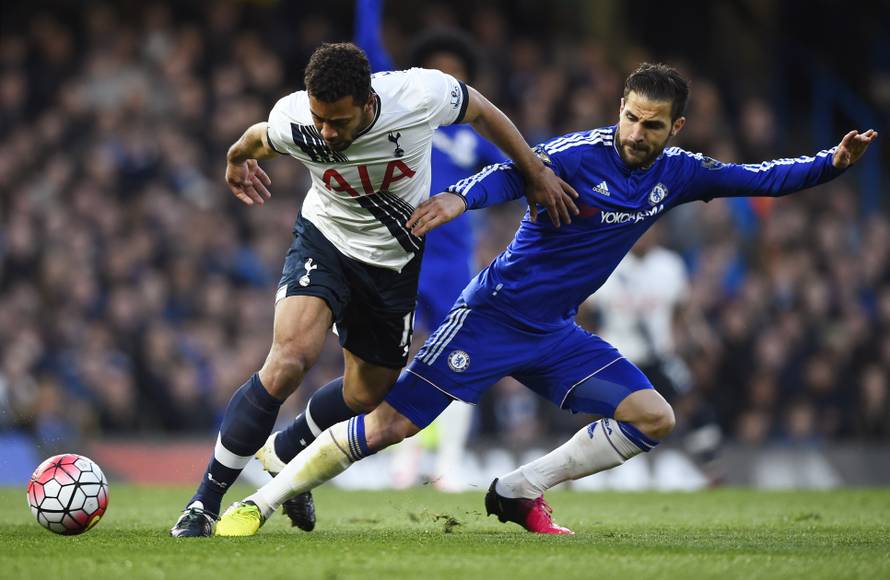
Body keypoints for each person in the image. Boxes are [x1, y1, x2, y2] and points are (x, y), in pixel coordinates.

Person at [213, 62, 877, 537]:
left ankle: (517, 489)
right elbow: (511, 170)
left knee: (655, 417)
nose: (634, 133)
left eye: (651, 125)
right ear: (619, 109)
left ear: (674, 128)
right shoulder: (580, 155)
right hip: (493, 314)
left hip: (554, 331)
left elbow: (759, 176)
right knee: (393, 425)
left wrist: (832, 163)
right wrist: (459, 197)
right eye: (629, 117)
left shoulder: (679, 174)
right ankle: (263, 501)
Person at [170, 41, 578, 537]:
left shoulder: (418, 95)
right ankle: (203, 504)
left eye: (338, 122)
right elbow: (257, 137)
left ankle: (285, 451)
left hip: (392, 263)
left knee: (367, 394)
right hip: (325, 241)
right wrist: (236, 159)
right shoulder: (298, 118)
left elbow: (483, 112)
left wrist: (534, 172)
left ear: (368, 103)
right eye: (319, 119)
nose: (325, 133)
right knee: (288, 360)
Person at [253, 9, 507, 531]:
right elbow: (364, 41)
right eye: (440, 67)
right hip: (384, 252)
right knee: (364, 361)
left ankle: (449, 464)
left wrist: (491, 192)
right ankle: (400, 461)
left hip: (449, 256)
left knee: (451, 356)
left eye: (457, 71)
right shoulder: (398, 104)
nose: (447, 78)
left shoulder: (466, 135)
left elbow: (502, 171)